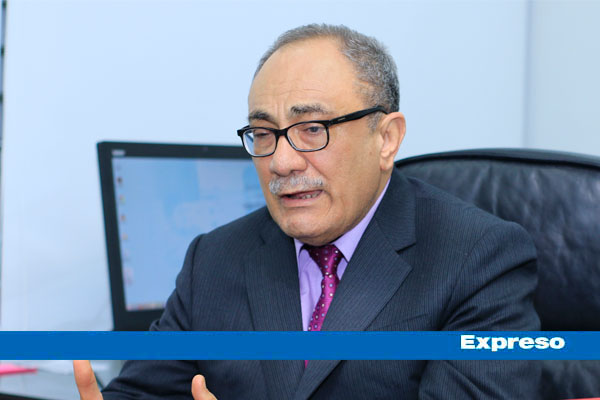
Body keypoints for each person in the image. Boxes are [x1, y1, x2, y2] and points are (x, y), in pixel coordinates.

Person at [74, 24, 540, 399]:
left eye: (313, 129)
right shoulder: (213, 259)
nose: (281, 161)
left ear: (386, 138)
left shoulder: (477, 258)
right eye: (263, 133)